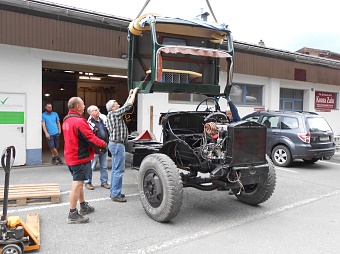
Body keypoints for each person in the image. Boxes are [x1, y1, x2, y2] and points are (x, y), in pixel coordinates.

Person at [63, 97, 107, 224]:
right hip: (79, 158)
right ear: (77, 107)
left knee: (80, 183)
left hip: (70, 156)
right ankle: (72, 214)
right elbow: (91, 138)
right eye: (82, 104)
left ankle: (83, 206)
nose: (84, 106)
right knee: (77, 185)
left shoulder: (66, 119)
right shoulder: (79, 122)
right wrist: (103, 144)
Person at [106, 87, 139, 202]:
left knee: (116, 169)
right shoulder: (114, 114)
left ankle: (114, 192)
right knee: (118, 170)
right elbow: (128, 106)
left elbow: (125, 106)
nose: (118, 104)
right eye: (115, 103)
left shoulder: (113, 114)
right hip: (117, 145)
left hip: (115, 144)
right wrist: (135, 93)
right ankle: (115, 194)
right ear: (112, 107)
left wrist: (129, 95)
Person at [84, 105, 110, 190]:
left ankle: (104, 182)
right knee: (91, 166)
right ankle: (88, 182)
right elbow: (90, 137)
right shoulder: (89, 123)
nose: (98, 111)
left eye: (97, 109)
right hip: (94, 148)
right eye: (95, 110)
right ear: (91, 113)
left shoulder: (102, 120)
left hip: (104, 146)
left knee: (104, 166)